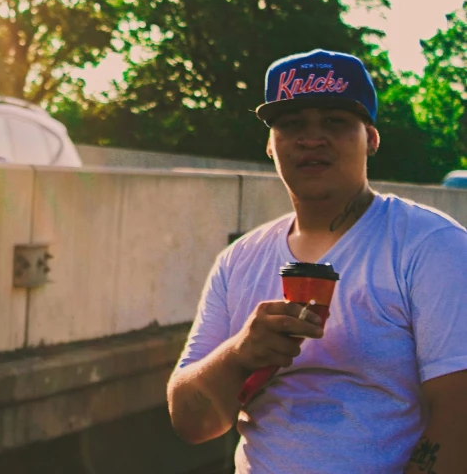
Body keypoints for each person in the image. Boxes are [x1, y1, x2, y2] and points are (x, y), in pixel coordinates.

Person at [167, 49, 467, 473]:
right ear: (270, 146)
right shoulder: (238, 262)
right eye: (292, 125)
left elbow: (458, 421)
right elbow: (190, 421)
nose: (312, 139)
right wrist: (240, 355)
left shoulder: (432, 246)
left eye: (335, 121)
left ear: (372, 138)